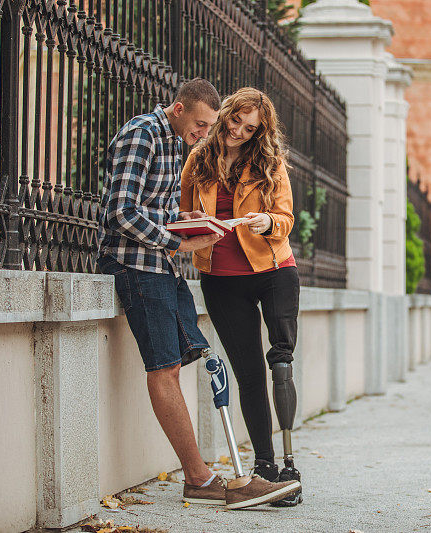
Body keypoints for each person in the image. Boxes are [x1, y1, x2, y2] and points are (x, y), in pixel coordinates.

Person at [97, 78, 300, 510]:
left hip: (169, 266)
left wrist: (188, 221)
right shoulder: (148, 135)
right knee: (167, 367)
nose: (210, 133)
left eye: (213, 126)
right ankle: (203, 478)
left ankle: (236, 473)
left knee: (197, 358)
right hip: (141, 263)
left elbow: (162, 208)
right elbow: (120, 210)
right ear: (179, 108)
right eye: (208, 123)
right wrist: (178, 239)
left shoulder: (174, 142)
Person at [179, 87, 303, 506]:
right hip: (222, 278)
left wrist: (266, 220)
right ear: (225, 114)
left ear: (259, 131)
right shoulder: (198, 160)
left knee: (279, 363)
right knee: (248, 373)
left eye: (249, 128)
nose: (237, 131)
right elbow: (181, 215)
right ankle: (266, 468)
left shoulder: (269, 162)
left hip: (273, 271)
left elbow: (286, 218)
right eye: (234, 120)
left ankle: (290, 462)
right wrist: (195, 223)